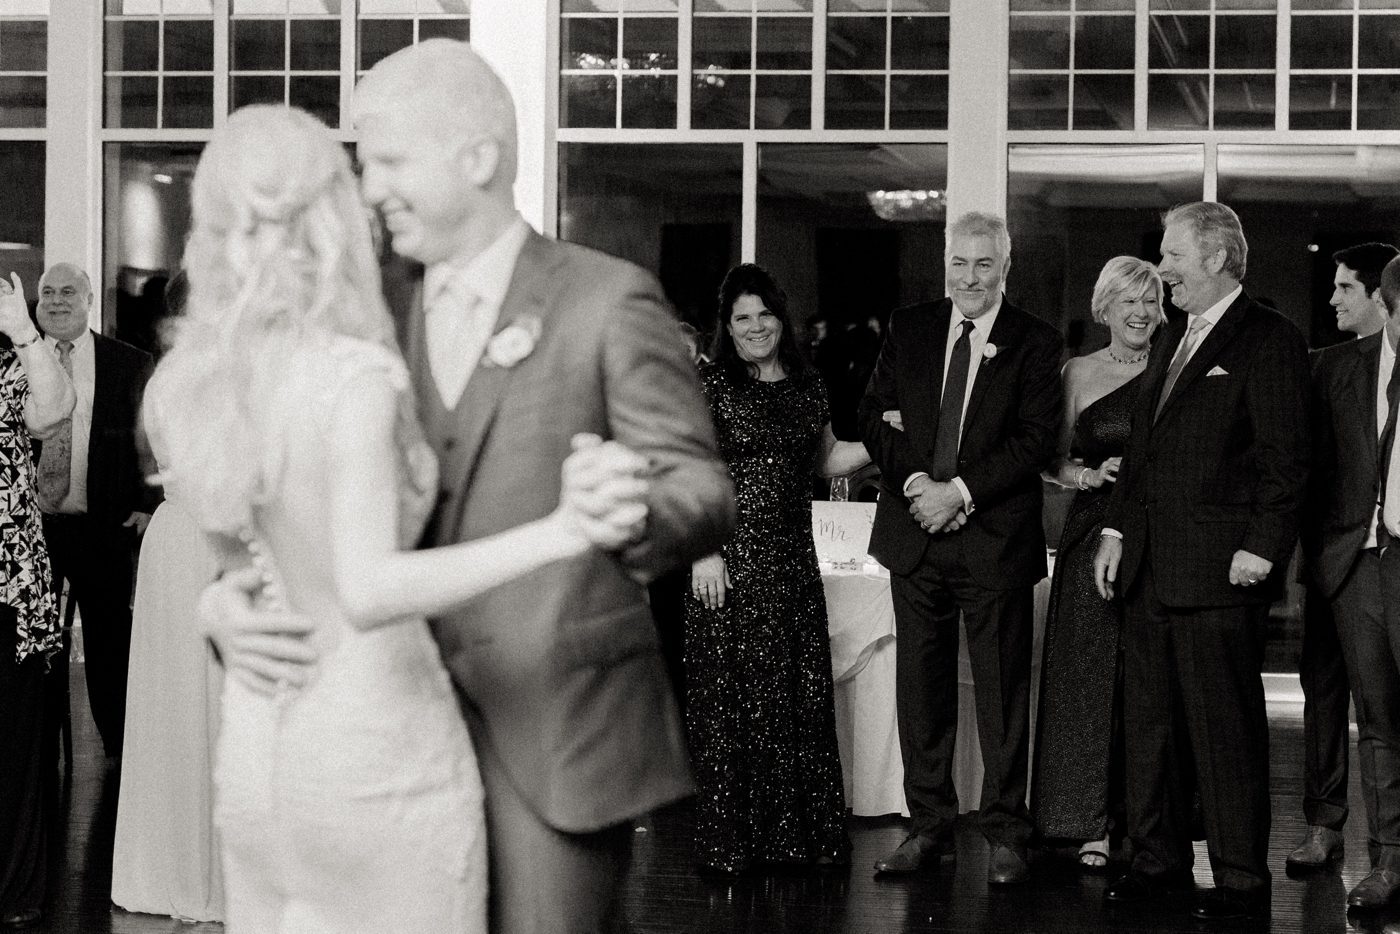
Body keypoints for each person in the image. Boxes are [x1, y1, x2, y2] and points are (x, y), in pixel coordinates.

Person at [203, 41, 736, 934]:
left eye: (390, 162)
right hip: (386, 729)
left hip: (553, 722)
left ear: (478, 158)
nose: (369, 189)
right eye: (365, 165)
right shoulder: (361, 309)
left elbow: (703, 487)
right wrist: (221, 600)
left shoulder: (605, 299)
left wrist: (630, 504)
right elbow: (283, 495)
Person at [1094, 202, 1310, 922]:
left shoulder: (1270, 338)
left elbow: (1287, 460)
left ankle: (1241, 879)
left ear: (1216, 259)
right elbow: (1143, 451)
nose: (1163, 270)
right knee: (1149, 730)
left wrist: (1263, 546)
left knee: (1224, 735)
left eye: (1173, 256)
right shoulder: (1174, 336)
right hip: (1148, 571)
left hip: (1220, 574)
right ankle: (1157, 865)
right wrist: (1116, 531)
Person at [857, 211, 1063, 885]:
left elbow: (1034, 439)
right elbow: (872, 416)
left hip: (993, 541)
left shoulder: (1035, 340)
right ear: (944, 264)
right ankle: (928, 828)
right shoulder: (910, 327)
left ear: (1006, 267)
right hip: (913, 534)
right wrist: (920, 485)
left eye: (983, 264)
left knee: (1002, 694)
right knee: (922, 692)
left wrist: (960, 493)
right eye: (959, 262)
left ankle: (1006, 833)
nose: (969, 277)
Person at [685, 263, 870, 875]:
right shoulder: (710, 385)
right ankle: (736, 841)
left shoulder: (810, 384)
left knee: (795, 699)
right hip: (728, 566)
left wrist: (891, 439)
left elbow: (828, 459)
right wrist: (703, 552)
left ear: (781, 318)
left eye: (765, 313)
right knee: (736, 706)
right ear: (727, 326)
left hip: (792, 564)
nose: (756, 326)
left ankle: (795, 839)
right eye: (742, 317)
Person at [1032, 256, 1165, 870]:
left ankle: (1147, 822)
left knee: (1147, 684)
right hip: (1089, 535)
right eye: (1128, 300)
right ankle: (1087, 821)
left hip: (1157, 537)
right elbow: (1049, 460)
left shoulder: (1173, 365)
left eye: (1150, 299)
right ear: (1104, 307)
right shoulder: (1077, 372)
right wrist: (1087, 475)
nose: (1140, 312)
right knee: (1087, 678)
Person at [110, 271, 226, 924]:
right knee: (193, 699)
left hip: (189, 538)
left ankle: (190, 864)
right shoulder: (185, 381)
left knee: (204, 701)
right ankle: (197, 873)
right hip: (200, 542)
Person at [1289, 241, 1396, 875]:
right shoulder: (1325, 367)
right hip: (1332, 558)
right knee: (1322, 694)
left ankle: (1389, 851)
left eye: (1345, 288)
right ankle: (1323, 826)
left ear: (1381, 297)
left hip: (1388, 561)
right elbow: (1302, 461)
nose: (1332, 299)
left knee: (1382, 709)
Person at [35, 262, 158, 765]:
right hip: (33, 535)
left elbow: (148, 439)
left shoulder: (128, 363)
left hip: (104, 528)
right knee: (36, 649)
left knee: (110, 645)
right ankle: (36, 752)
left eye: (69, 292)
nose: (57, 301)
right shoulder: (15, 359)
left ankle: (120, 757)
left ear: (89, 301)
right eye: (47, 293)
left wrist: (146, 504)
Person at [0, 272, 76, 930]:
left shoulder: (11, 367)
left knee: (12, 744)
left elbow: (54, 412)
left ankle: (12, 891)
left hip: (7, 584)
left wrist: (24, 333)